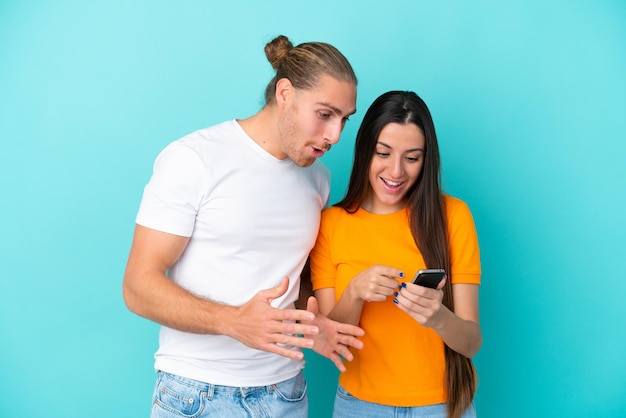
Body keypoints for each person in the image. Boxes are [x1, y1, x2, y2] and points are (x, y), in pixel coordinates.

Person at [122, 35, 364, 418]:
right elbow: (137, 286)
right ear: (285, 93)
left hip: (285, 394)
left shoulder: (317, 179)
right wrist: (233, 321)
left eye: (343, 120)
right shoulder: (195, 158)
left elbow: (287, 279)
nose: (335, 135)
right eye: (325, 114)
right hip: (196, 394)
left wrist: (311, 323)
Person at [310, 90, 482, 418]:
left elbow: (471, 342)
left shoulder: (454, 217)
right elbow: (333, 343)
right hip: (358, 407)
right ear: (365, 151)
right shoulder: (331, 224)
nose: (396, 171)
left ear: (426, 160)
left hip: (442, 408)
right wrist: (355, 293)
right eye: (383, 153)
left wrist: (438, 318)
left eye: (412, 158)